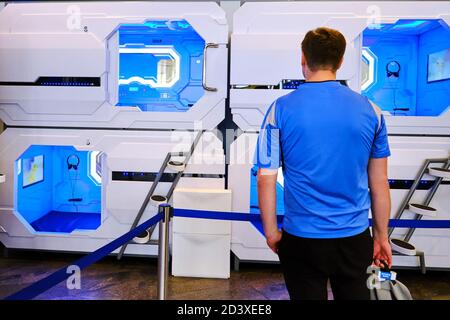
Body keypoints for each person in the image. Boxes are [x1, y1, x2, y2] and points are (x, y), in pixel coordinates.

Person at [255, 27, 392, 300]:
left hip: (301, 238)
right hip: (354, 238)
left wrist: (271, 232)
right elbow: (379, 184)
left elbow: (265, 177)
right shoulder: (371, 110)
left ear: (303, 58)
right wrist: (381, 236)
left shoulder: (280, 109)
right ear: (341, 62)